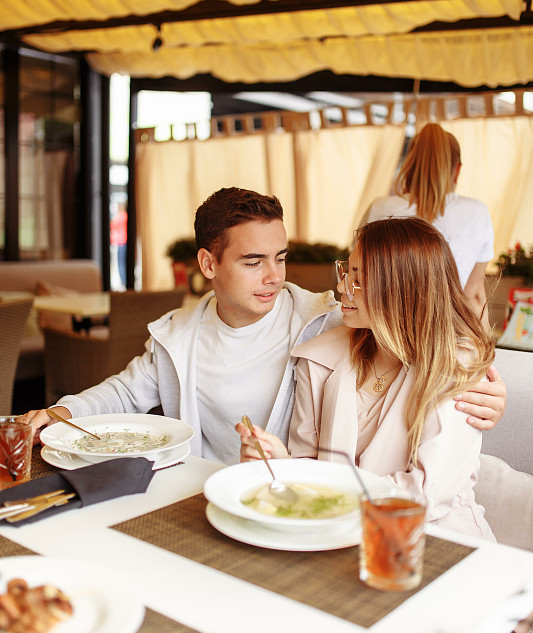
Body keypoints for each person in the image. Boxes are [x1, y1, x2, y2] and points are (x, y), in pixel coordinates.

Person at [22, 188, 505, 465]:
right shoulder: (178, 337)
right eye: (253, 262)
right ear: (208, 264)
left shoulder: (326, 319)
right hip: (200, 491)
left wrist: (485, 382)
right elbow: (124, 395)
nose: (274, 276)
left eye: (280, 257)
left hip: (281, 496)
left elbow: (415, 323)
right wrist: (61, 413)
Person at [238, 218, 496, 538]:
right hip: (341, 534)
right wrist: (282, 462)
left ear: (402, 287)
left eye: (358, 279)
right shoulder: (316, 360)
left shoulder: (458, 366)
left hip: (440, 540)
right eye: (346, 271)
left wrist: (322, 486)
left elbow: (426, 494)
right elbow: (307, 467)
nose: (342, 287)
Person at [363, 123, 494, 330]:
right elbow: (474, 295)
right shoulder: (476, 212)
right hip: (446, 338)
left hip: (386, 335)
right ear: (457, 169)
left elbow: (361, 278)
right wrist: (484, 352)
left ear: (411, 163)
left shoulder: (379, 208)